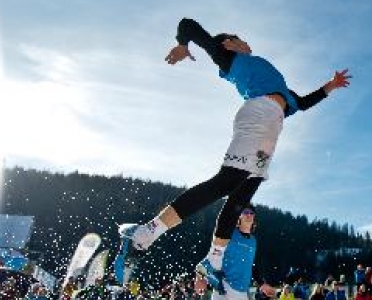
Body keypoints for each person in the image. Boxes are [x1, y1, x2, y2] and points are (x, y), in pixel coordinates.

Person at [119, 17, 351, 279]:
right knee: (225, 183)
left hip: (270, 131)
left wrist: (330, 85)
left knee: (241, 196)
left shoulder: (279, 86)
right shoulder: (229, 58)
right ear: (229, 43)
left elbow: (304, 102)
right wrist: (183, 44)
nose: (247, 43)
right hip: (258, 116)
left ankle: (213, 260)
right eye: (241, 39)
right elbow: (189, 25)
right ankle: (145, 233)